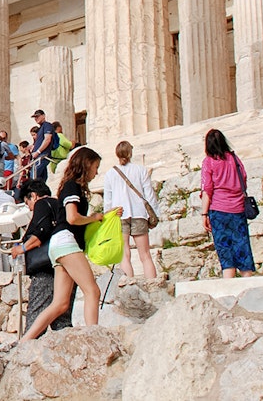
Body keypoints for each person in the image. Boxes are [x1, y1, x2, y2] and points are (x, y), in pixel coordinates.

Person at [20, 147, 121, 342]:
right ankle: (95, 338)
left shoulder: (69, 187)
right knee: (92, 290)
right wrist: (94, 218)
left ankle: (25, 341)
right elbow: (73, 218)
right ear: (86, 164)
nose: (96, 172)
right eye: (95, 167)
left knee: (60, 303)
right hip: (67, 242)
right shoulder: (72, 187)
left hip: (59, 245)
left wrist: (105, 217)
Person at [14, 180, 75, 335]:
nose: (28, 207)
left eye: (27, 202)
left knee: (37, 312)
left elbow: (42, 230)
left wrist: (22, 248)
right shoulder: (60, 205)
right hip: (68, 265)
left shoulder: (42, 204)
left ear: (33, 196)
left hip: (45, 268)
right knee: (62, 319)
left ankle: (27, 349)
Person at [201, 129, 256, 278]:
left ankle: (229, 283)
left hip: (218, 210)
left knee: (225, 249)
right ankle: (247, 279)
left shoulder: (209, 162)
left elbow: (207, 189)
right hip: (238, 209)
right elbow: (243, 179)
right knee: (242, 245)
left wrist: (204, 213)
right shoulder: (234, 159)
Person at [103, 141, 160, 282]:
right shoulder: (140, 170)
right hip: (139, 213)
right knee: (145, 254)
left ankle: (129, 285)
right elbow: (149, 194)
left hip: (119, 215)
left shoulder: (110, 174)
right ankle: (152, 285)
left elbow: (108, 200)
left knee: (124, 254)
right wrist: (154, 214)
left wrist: (106, 218)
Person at [29, 110, 56, 181]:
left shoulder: (47, 125)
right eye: (35, 117)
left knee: (34, 178)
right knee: (41, 179)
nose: (36, 119)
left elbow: (47, 139)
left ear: (43, 116)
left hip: (42, 156)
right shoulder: (41, 128)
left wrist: (38, 151)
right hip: (38, 156)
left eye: (37, 116)